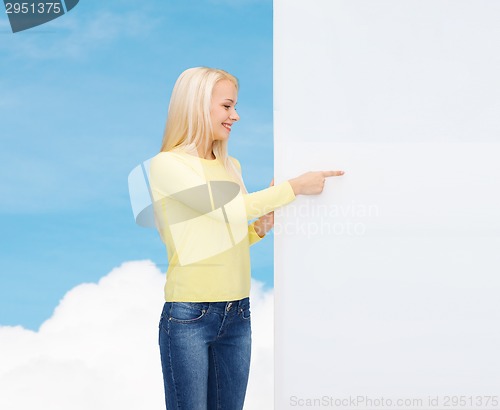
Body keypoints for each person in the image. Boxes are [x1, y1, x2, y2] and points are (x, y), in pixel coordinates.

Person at [148, 66, 344, 410]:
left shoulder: (230, 165)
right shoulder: (166, 165)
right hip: (189, 316)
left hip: (238, 312)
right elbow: (230, 211)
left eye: (234, 106)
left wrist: (259, 228)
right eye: (227, 106)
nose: (235, 116)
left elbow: (226, 231)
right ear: (197, 106)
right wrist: (294, 188)